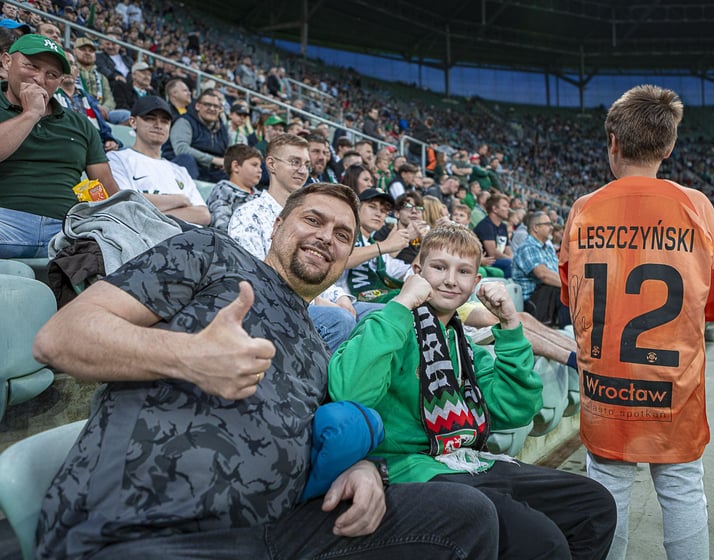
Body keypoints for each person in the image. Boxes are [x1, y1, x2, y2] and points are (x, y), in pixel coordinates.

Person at [33, 183, 500, 560]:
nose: (327, 237)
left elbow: (323, 432)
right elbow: (61, 337)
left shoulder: (319, 343)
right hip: (146, 529)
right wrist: (187, 355)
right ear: (277, 226)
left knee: (465, 513)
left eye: (343, 235)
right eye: (313, 220)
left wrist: (364, 469)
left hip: (280, 532)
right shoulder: (212, 253)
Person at [329, 223, 616, 560]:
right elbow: (350, 393)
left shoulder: (466, 347)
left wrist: (510, 325)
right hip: (409, 468)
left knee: (594, 504)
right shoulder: (387, 325)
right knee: (542, 540)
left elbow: (515, 410)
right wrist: (402, 303)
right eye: (439, 267)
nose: (451, 280)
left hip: (467, 461)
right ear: (417, 272)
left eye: (463, 271)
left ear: (476, 281)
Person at [558, 85, 714, 560]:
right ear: (669, 146)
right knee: (682, 488)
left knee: (606, 490)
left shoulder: (584, 208)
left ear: (613, 142)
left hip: (605, 385)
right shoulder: (696, 205)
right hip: (673, 384)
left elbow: (572, 298)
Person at [0, 34, 120, 258]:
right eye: (31, 66)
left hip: (67, 229)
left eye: (52, 75)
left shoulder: (80, 123)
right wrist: (31, 114)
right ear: (7, 62)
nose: (40, 79)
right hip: (5, 220)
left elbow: (106, 185)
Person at [107, 96, 210, 225]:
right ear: (133, 122)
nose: (158, 125)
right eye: (150, 119)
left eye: (165, 121)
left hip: (187, 235)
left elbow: (203, 215)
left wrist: (148, 213)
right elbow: (125, 204)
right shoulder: (117, 159)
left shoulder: (179, 170)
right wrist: (179, 200)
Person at [228, 133, 310, 259]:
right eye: (295, 162)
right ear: (272, 164)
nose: (303, 171)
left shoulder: (309, 219)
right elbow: (248, 268)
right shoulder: (247, 215)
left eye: (307, 165)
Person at [341, 188, 416, 303]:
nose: (378, 214)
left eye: (384, 211)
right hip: (343, 301)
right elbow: (341, 259)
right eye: (372, 207)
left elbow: (411, 271)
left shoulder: (375, 248)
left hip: (368, 302)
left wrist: (426, 244)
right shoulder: (342, 233)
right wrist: (386, 245)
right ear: (356, 208)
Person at [512, 211, 568, 327]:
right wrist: (570, 285)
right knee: (568, 294)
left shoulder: (548, 248)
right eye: (547, 224)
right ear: (536, 228)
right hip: (534, 303)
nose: (551, 227)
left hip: (549, 298)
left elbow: (557, 272)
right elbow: (543, 275)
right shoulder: (528, 247)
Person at [169, 88, 229, 182]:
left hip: (211, 171)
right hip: (185, 168)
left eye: (216, 106)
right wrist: (213, 160)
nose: (212, 109)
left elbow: (228, 153)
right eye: (207, 104)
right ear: (197, 106)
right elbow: (181, 149)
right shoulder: (185, 122)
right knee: (186, 159)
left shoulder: (223, 130)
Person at [206, 143, 262, 231]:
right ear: (236, 166)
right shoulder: (223, 190)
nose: (260, 170)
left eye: (260, 166)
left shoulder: (261, 196)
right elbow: (221, 225)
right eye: (254, 165)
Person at [473, 192, 513, 278]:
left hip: (499, 260)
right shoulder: (485, 225)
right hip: (486, 260)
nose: (508, 209)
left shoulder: (503, 226)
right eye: (505, 206)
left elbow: (508, 249)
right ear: (494, 208)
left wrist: (511, 258)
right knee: (509, 263)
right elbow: (493, 253)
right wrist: (510, 259)